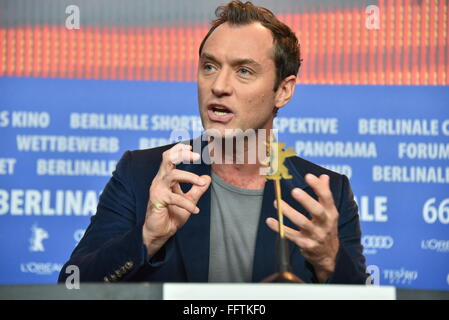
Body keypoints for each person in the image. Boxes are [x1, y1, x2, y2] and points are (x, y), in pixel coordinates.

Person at [58, 1, 367, 284]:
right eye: (209, 66)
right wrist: (147, 237)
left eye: (244, 71)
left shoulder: (324, 196)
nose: (219, 86)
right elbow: (72, 286)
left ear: (283, 91)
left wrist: (330, 262)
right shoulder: (142, 174)